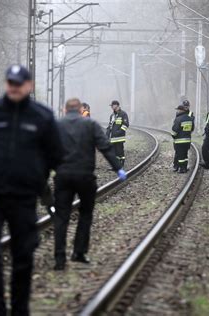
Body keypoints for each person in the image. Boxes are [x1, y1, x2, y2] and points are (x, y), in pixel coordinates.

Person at [0, 65, 64, 316]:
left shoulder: (42, 117)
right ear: (6, 83)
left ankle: (20, 310)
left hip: (24, 198)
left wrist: (35, 175)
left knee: (24, 255)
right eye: (11, 82)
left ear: (28, 85)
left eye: (19, 83)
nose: (14, 87)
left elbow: (56, 153)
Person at [53, 98, 127, 270]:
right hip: (85, 177)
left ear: (65, 110)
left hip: (63, 176)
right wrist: (118, 168)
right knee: (85, 215)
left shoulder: (57, 125)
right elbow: (105, 147)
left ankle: (59, 258)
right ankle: (79, 252)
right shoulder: (90, 124)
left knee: (61, 216)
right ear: (80, 109)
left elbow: (46, 149)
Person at [171, 104, 194, 173]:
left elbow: (174, 130)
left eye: (178, 110)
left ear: (181, 110)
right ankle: (184, 167)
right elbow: (192, 128)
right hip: (187, 141)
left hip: (179, 141)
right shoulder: (189, 119)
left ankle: (181, 169)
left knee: (180, 156)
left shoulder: (178, 119)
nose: (177, 111)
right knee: (185, 155)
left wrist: (173, 136)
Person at [106, 100, 129, 167]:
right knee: (114, 153)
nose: (111, 107)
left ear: (117, 105)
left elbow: (126, 124)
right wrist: (107, 134)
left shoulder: (123, 114)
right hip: (113, 138)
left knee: (120, 152)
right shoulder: (112, 115)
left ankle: (121, 164)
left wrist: (118, 132)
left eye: (112, 105)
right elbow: (110, 126)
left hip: (120, 138)